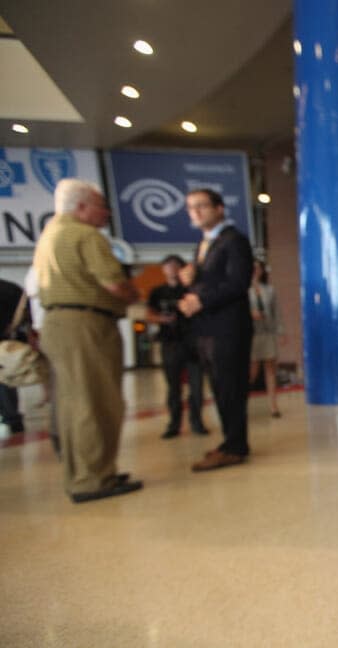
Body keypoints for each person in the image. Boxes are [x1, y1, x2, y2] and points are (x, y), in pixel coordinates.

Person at [33, 178, 142, 503]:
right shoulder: (85, 234)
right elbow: (113, 284)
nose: (106, 213)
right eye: (101, 206)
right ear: (81, 207)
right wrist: (133, 293)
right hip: (85, 326)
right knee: (96, 402)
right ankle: (94, 479)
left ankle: (85, 473)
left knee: (71, 403)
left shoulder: (49, 235)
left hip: (57, 324)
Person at [178, 188, 254, 471]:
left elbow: (238, 283)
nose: (195, 212)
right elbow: (210, 283)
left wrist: (201, 299)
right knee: (220, 388)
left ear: (219, 208)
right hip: (208, 328)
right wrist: (190, 285)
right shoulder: (204, 244)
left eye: (202, 206)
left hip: (229, 328)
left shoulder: (234, 241)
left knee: (231, 387)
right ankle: (229, 442)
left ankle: (235, 446)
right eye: (190, 207)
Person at [146, 254, 207, 439]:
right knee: (173, 387)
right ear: (163, 269)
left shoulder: (191, 290)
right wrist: (161, 319)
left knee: (196, 386)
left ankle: (197, 422)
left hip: (193, 342)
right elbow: (148, 314)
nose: (172, 269)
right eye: (168, 266)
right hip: (170, 342)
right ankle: (174, 424)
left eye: (175, 265)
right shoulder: (157, 292)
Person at [249, 259, 282, 417]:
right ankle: (243, 404)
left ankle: (273, 406)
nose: (255, 270)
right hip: (252, 335)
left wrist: (280, 332)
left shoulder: (269, 290)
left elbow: (277, 313)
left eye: (258, 268)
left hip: (268, 333)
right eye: (252, 268)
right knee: (252, 372)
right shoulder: (242, 290)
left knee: (270, 370)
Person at [0, 278, 27, 436]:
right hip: (9, 343)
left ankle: (11, 418)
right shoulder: (12, 288)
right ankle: (13, 420)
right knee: (6, 382)